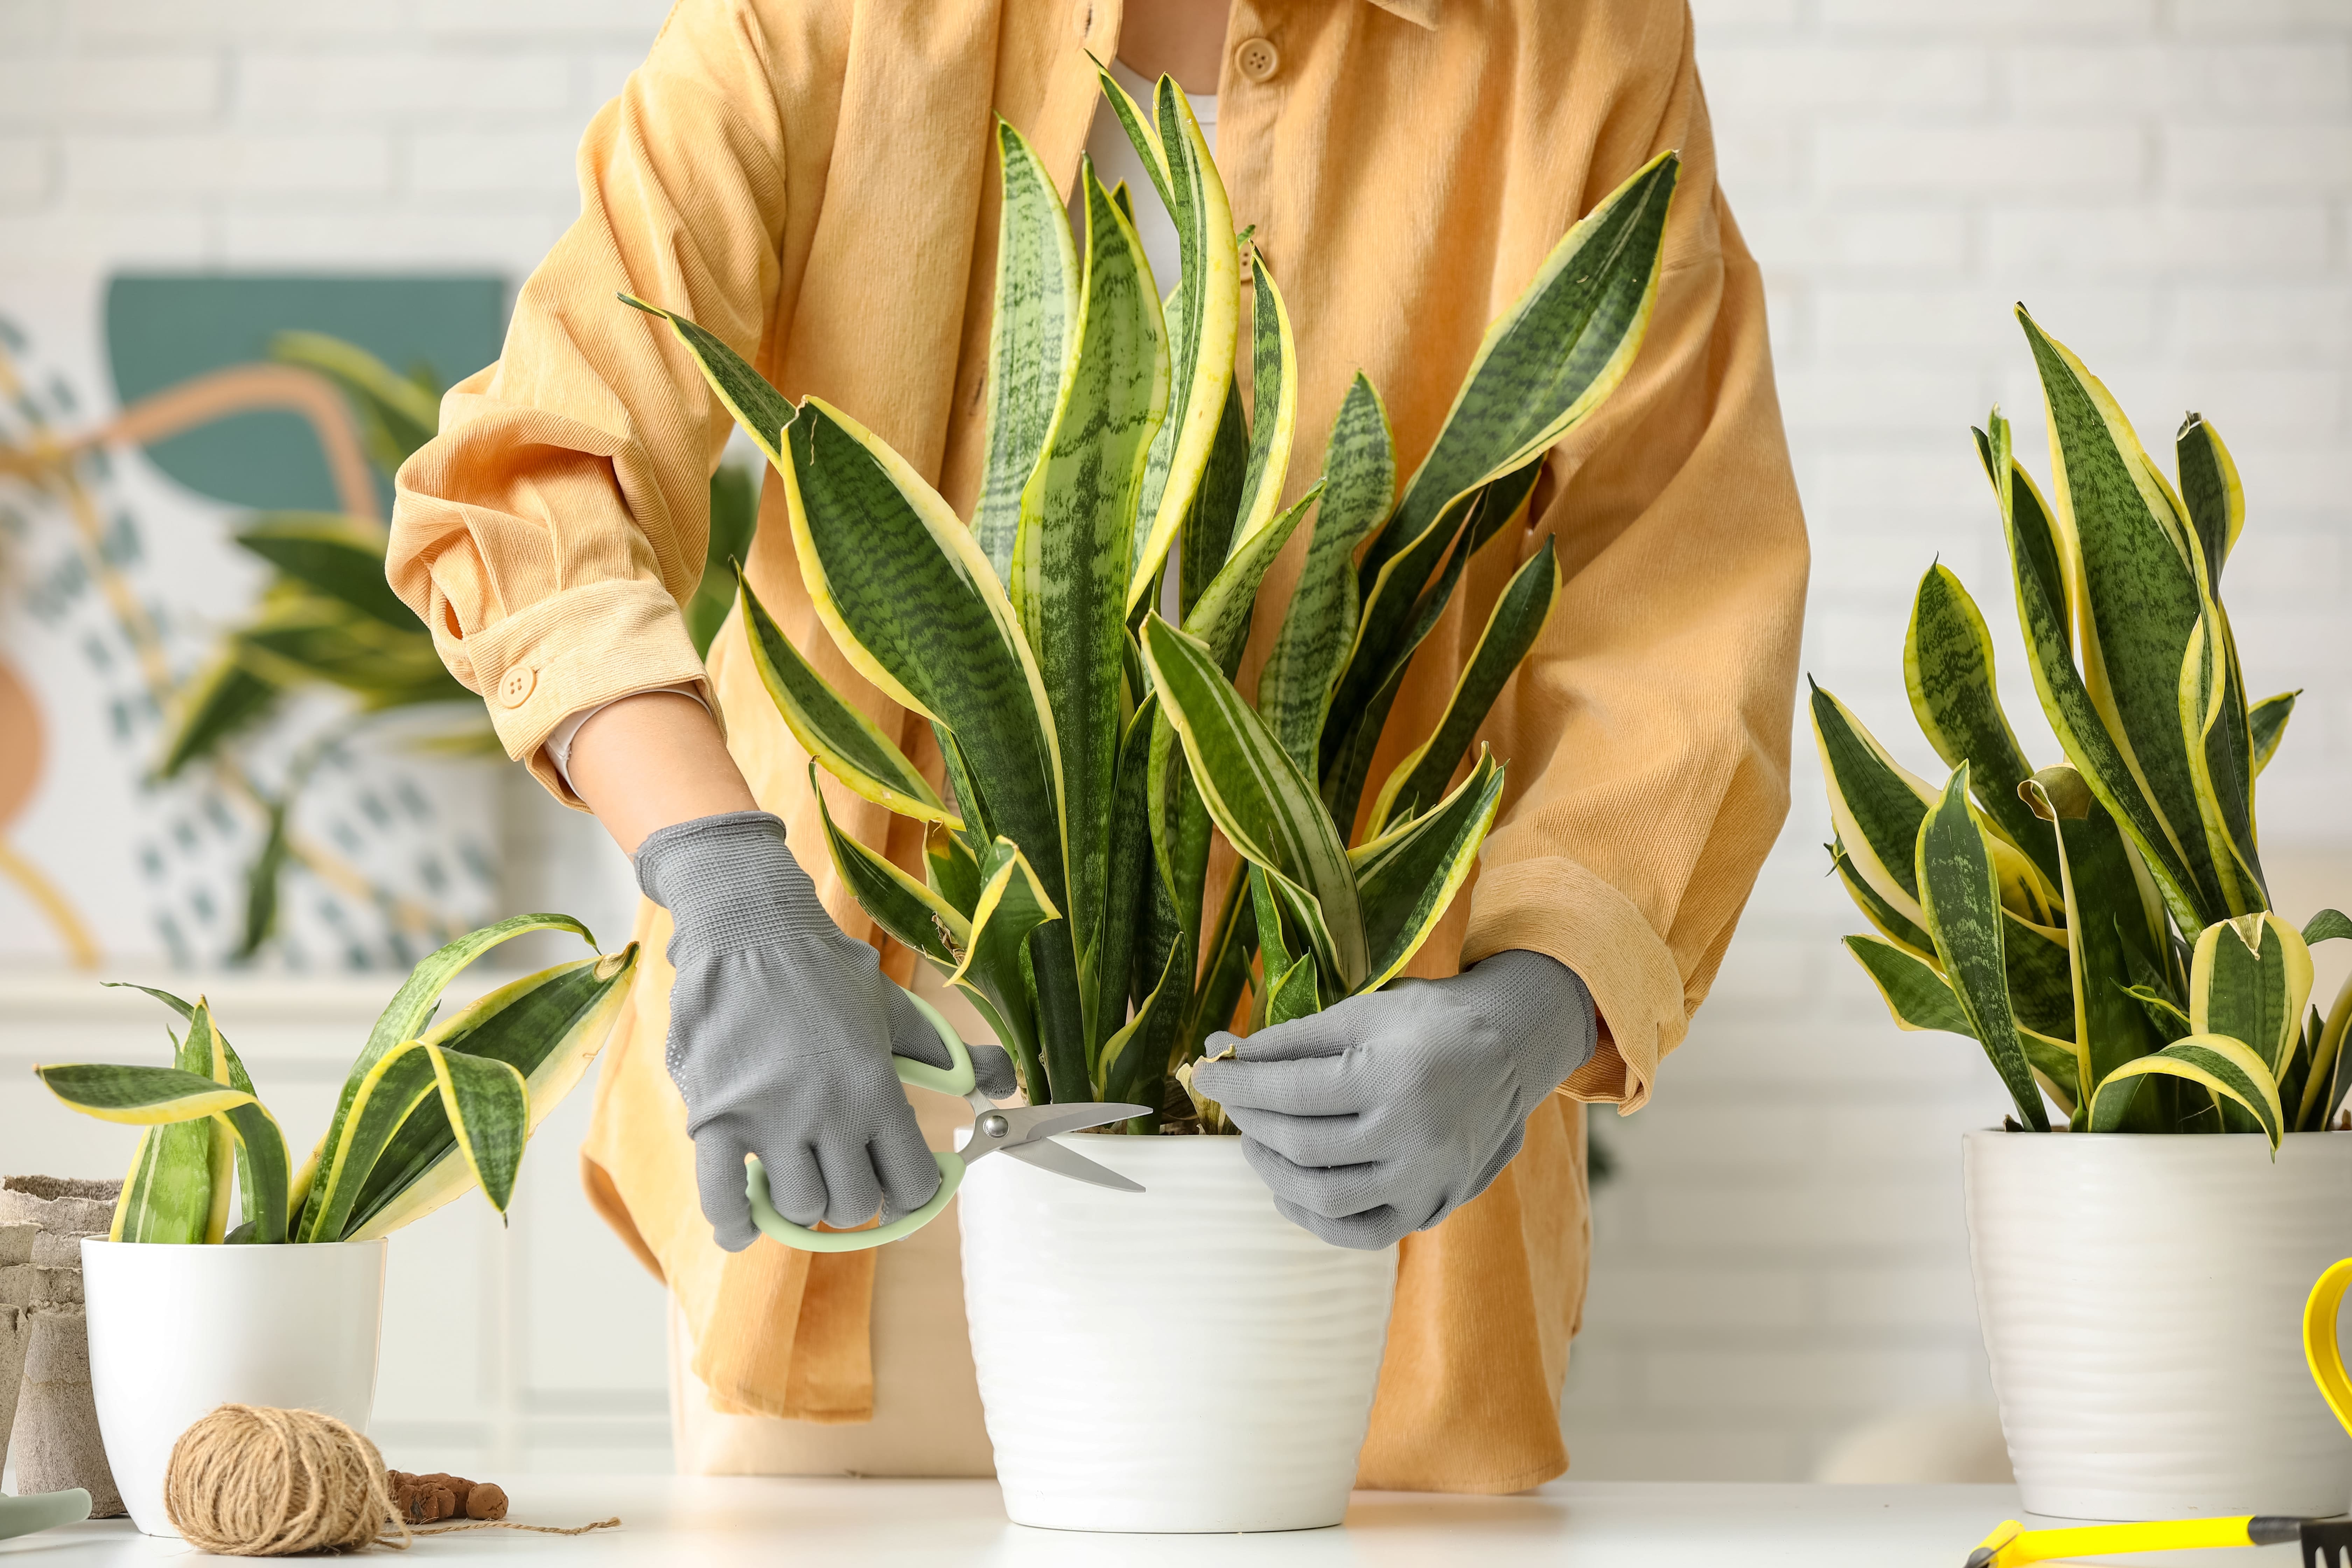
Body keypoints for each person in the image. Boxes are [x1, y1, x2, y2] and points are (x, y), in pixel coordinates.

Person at [388, 0, 1806, 1493]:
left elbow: (1681, 598)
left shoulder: (1568, 41)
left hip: (1369, 1107)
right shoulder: (827, 21)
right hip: (857, 1074)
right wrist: (725, 882)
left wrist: (1533, 1011)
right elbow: (539, 472)